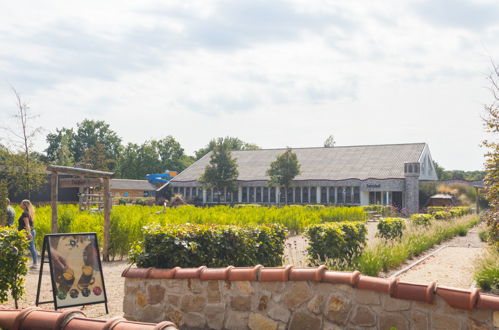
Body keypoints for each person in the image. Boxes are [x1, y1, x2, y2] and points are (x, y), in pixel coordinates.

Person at [18, 199, 37, 269]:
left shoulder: (25, 213)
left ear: (24, 205)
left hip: (27, 232)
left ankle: (35, 264)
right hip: (30, 231)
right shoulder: (28, 212)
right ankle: (34, 263)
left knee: (31, 247)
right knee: (30, 247)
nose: (20, 205)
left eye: (21, 204)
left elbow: (27, 224)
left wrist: (28, 233)